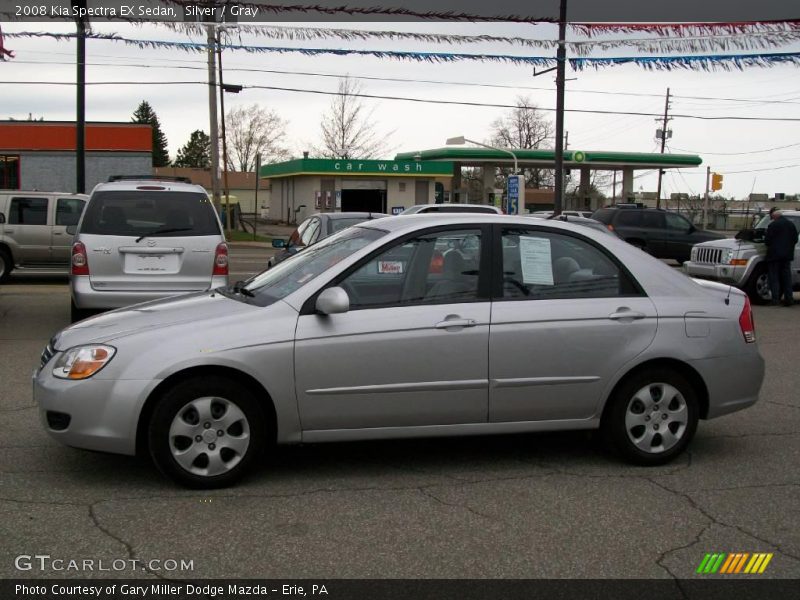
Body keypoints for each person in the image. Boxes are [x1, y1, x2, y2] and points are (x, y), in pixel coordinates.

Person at [764, 207, 798, 306]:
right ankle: (789, 299)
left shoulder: (773, 225)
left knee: (774, 278)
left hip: (774, 256)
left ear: (774, 216)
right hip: (787, 256)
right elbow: (795, 239)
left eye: (772, 217)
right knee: (787, 278)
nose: (772, 219)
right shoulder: (791, 225)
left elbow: (767, 241)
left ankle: (775, 300)